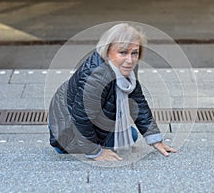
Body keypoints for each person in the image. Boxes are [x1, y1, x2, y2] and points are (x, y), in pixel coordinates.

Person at [48, 23, 177, 161]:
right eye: (123, 52)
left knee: (130, 135)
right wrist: (96, 152)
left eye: (134, 53)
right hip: (65, 131)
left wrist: (155, 139)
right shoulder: (97, 76)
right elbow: (81, 117)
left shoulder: (126, 66)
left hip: (82, 118)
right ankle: (67, 148)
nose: (130, 60)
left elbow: (136, 101)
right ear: (107, 50)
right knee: (129, 137)